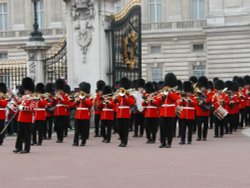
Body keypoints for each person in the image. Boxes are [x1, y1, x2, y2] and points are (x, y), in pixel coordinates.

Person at [13, 77, 36, 154]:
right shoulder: (23, 99)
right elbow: (18, 106)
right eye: (25, 91)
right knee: (19, 134)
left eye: (27, 91)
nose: (26, 92)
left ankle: (26, 149)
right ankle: (18, 147)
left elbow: (32, 108)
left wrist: (23, 107)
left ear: (31, 91)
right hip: (20, 119)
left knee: (27, 135)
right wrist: (16, 106)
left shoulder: (33, 99)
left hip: (27, 119)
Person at [159, 73, 179, 148]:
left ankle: (169, 143)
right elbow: (158, 101)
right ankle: (162, 142)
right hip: (162, 112)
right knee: (162, 128)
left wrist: (169, 94)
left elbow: (177, 99)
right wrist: (163, 97)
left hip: (170, 112)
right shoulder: (162, 92)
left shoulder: (175, 92)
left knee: (169, 128)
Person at [115, 77, 135, 147]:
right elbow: (115, 102)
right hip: (119, 113)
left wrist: (125, 97)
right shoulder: (119, 94)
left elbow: (131, 103)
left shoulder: (129, 94)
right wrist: (115, 98)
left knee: (125, 129)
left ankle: (124, 142)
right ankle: (121, 140)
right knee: (118, 128)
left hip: (126, 113)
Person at [72, 82, 93, 146]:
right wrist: (76, 101)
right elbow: (71, 105)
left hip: (85, 116)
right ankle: (75, 142)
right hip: (78, 116)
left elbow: (90, 105)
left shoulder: (89, 97)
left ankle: (83, 142)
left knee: (84, 130)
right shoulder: (78, 97)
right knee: (77, 129)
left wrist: (84, 99)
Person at [54, 79, 69, 143]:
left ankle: (61, 138)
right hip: (56, 112)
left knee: (61, 126)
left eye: (60, 90)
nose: (59, 91)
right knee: (56, 126)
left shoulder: (65, 95)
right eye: (58, 90)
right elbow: (53, 103)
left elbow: (66, 102)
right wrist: (53, 99)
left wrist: (61, 98)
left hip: (62, 112)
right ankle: (58, 137)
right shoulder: (56, 95)